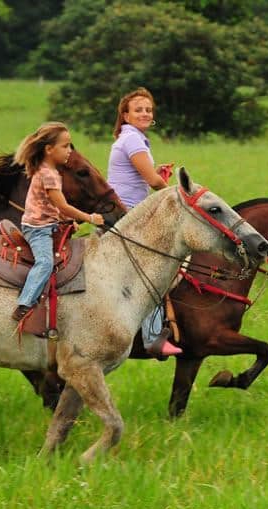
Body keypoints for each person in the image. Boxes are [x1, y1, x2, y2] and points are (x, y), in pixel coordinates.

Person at [107, 87, 182, 358]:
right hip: (126, 215)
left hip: (128, 211)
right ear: (125, 115)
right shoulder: (133, 141)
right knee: (156, 268)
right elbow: (152, 181)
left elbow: (144, 177)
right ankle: (152, 336)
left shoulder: (133, 139)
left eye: (148, 109)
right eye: (138, 109)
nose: (145, 113)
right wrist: (178, 194)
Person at [11, 122, 105, 321]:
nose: (69, 151)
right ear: (48, 149)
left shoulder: (51, 172)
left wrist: (67, 220)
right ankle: (24, 303)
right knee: (45, 262)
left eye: (70, 145)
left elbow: (52, 206)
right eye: (65, 146)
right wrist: (90, 218)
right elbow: (62, 205)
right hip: (38, 229)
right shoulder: (48, 175)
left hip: (48, 223)